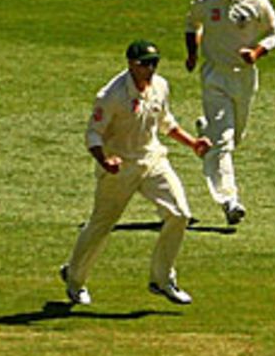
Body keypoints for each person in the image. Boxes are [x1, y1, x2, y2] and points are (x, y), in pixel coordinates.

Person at [60, 40, 212, 306]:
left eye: (155, 63)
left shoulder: (161, 86)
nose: (151, 69)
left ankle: (161, 279)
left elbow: (165, 123)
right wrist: (105, 159)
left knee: (180, 214)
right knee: (101, 225)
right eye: (145, 64)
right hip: (120, 167)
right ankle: (74, 279)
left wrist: (193, 144)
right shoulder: (111, 96)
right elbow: (93, 134)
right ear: (131, 64)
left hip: (153, 160)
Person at [184, 0, 275, 225]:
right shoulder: (206, 0)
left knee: (234, 137)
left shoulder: (256, 1)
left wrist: (257, 52)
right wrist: (192, 54)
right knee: (224, 143)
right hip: (215, 75)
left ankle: (206, 132)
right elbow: (191, 24)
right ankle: (229, 201)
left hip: (245, 76)